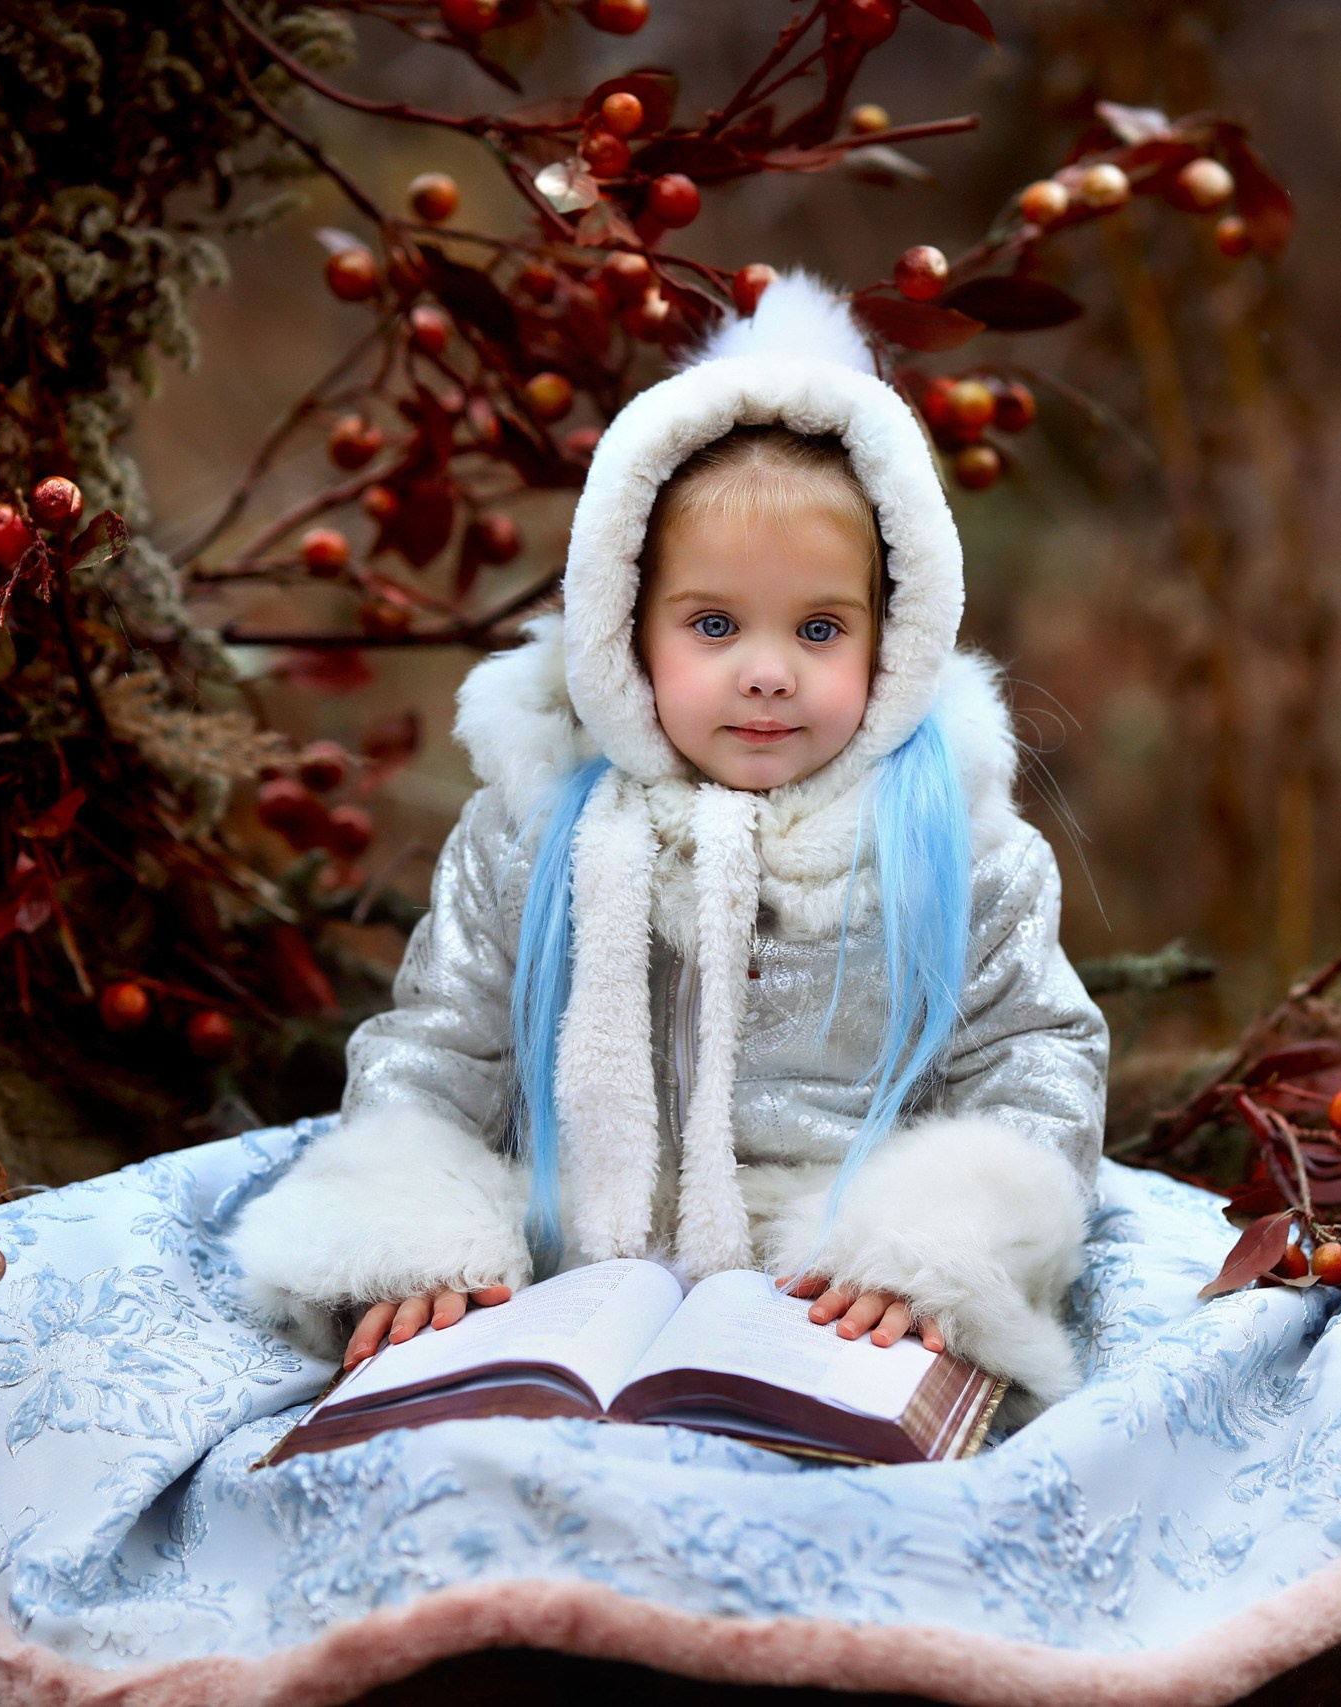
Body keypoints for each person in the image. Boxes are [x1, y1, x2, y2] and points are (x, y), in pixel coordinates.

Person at [230, 272, 1109, 1415]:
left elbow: (1035, 1064)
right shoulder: (528, 831)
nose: (765, 669)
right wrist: (414, 1234)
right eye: (711, 625)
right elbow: (440, 1051)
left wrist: (934, 1248)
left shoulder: (958, 847)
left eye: (820, 628)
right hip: (564, 1270)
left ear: (896, 640)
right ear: (622, 633)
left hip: (824, 1292)